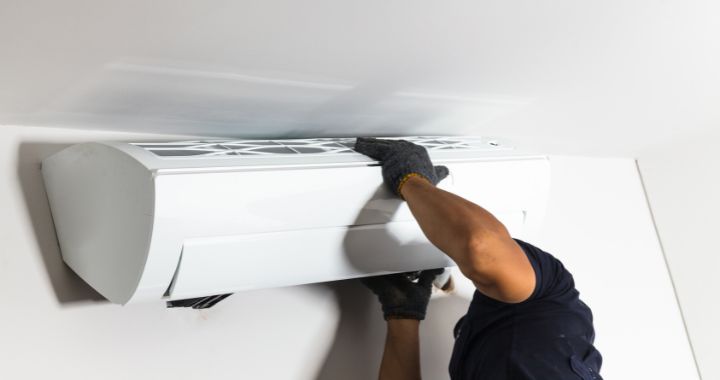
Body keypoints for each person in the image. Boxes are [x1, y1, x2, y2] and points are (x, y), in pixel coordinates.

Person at [354, 137, 603, 380]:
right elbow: (480, 248)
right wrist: (411, 180)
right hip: (536, 300)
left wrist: (403, 314)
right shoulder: (548, 335)